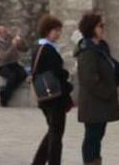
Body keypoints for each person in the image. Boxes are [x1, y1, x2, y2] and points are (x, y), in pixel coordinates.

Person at [74, 13, 119, 165]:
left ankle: (96, 161)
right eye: (100, 26)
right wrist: (107, 91)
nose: (103, 29)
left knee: (98, 135)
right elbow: (89, 79)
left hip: (101, 102)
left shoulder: (101, 46)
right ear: (91, 28)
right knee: (92, 136)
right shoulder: (87, 51)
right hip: (93, 103)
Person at [31, 15, 73, 165]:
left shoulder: (38, 48)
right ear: (48, 31)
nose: (58, 33)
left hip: (45, 97)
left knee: (53, 131)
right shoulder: (48, 49)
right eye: (56, 30)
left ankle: (38, 162)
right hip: (54, 97)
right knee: (56, 133)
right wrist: (66, 75)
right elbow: (57, 72)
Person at [0, 25, 29, 107]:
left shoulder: (11, 40)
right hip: (2, 66)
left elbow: (25, 49)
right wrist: (13, 46)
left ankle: (5, 93)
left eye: (6, 31)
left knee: (23, 74)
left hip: (14, 63)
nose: (6, 33)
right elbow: (3, 57)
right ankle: (5, 98)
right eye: (3, 32)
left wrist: (20, 40)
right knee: (12, 76)